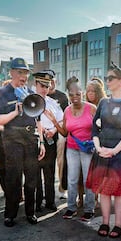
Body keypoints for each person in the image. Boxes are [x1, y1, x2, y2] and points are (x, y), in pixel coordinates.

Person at [0, 57, 45, 226]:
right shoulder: (2, 93)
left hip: (30, 138)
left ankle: (30, 212)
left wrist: (42, 142)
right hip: (12, 139)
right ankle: (10, 214)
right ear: (12, 72)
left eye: (26, 73)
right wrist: (15, 112)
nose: (23, 76)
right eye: (20, 72)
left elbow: (38, 120)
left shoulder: (31, 94)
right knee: (13, 179)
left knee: (31, 179)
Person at [86, 66, 121, 238]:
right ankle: (105, 222)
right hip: (102, 153)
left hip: (120, 154)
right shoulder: (103, 103)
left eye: (111, 78)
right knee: (104, 191)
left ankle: (119, 225)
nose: (107, 81)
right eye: (106, 78)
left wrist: (113, 151)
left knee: (120, 192)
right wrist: (99, 147)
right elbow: (94, 128)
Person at [61, 77, 96, 221]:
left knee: (89, 179)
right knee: (72, 179)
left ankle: (89, 209)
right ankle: (71, 207)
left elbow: (100, 128)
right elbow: (64, 132)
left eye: (78, 93)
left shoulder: (91, 108)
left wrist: (95, 143)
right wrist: (52, 121)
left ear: (83, 93)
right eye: (71, 94)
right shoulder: (67, 111)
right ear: (68, 94)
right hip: (72, 148)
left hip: (87, 149)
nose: (75, 97)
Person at [34, 71, 64, 213]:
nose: (44, 89)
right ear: (35, 85)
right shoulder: (30, 101)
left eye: (47, 86)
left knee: (49, 173)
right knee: (35, 174)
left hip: (50, 139)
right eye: (41, 85)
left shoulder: (53, 103)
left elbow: (61, 120)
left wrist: (53, 130)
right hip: (35, 141)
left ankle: (50, 201)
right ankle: (38, 201)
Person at [44, 70, 69, 198]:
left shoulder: (62, 97)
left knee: (60, 162)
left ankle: (62, 188)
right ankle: (46, 191)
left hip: (58, 133)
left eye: (52, 81)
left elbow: (65, 117)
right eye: (48, 81)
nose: (50, 84)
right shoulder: (39, 96)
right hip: (43, 133)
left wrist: (55, 129)